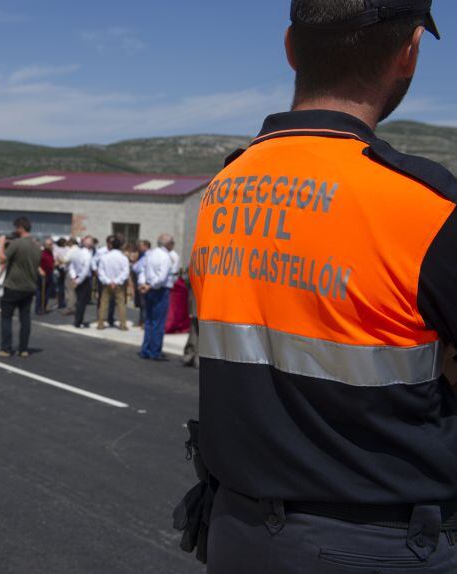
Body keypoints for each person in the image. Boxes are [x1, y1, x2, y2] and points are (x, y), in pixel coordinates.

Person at [178, 3, 457, 573]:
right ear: (409, 53)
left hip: (237, 530)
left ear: (289, 47)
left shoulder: (223, 189)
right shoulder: (425, 205)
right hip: (378, 542)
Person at [0, 217, 40, 357]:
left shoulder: (17, 243)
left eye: (16, 228)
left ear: (20, 228)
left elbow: (2, 259)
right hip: (29, 287)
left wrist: (0, 244)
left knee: (6, 317)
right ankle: (23, 349)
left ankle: (5, 348)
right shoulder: (36, 246)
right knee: (25, 318)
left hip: (13, 286)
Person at [137, 234, 172, 360]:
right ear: (168, 244)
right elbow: (162, 277)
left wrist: (143, 284)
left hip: (148, 288)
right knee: (158, 322)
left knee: (149, 321)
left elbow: (142, 270)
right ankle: (155, 351)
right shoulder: (166, 257)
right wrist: (151, 285)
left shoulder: (149, 254)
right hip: (160, 290)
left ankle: (146, 349)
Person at [96, 236, 130, 330]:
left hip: (106, 284)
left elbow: (101, 271)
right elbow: (125, 272)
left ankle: (100, 323)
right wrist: (116, 281)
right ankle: (123, 324)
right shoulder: (123, 258)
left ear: (111, 245)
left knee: (103, 304)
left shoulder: (104, 257)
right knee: (121, 304)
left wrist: (108, 281)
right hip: (119, 284)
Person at [68, 236, 94, 328]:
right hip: (84, 279)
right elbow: (86, 270)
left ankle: (78, 320)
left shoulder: (77, 252)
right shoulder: (87, 254)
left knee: (79, 301)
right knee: (82, 302)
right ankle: (78, 321)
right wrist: (78, 280)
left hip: (78, 277)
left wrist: (74, 277)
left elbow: (71, 267)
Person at [35, 238, 55, 315]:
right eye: (49, 244)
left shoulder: (51, 253)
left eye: (51, 244)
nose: (51, 246)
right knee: (40, 292)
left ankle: (44, 307)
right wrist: (40, 270)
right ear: (45, 245)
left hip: (49, 274)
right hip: (42, 275)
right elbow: (36, 263)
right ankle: (38, 308)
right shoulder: (41, 253)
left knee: (47, 293)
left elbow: (51, 262)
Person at [54, 238, 70, 309]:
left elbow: (55, 258)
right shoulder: (67, 249)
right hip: (64, 268)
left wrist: (60, 261)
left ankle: (60, 302)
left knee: (60, 285)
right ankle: (61, 301)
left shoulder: (56, 249)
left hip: (60, 267)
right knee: (62, 286)